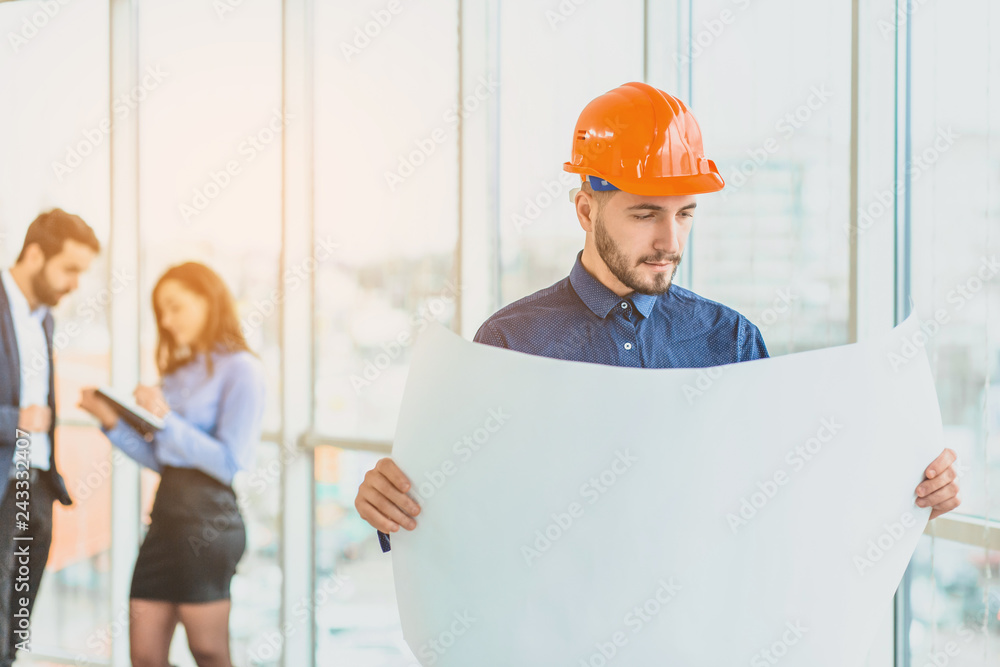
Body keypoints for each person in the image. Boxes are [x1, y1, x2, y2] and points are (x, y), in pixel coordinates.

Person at [354, 81, 961, 552]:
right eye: (646, 214)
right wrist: (390, 505)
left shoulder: (729, 340)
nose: (670, 240)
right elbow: (460, 509)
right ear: (586, 209)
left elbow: (784, 492)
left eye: (686, 215)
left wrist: (907, 488)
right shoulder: (512, 342)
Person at [79, 262, 265, 667]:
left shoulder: (243, 370)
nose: (166, 319)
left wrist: (166, 417)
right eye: (160, 310)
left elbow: (231, 462)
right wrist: (112, 421)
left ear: (208, 300)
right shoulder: (178, 372)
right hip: (164, 521)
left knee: (208, 651)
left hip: (209, 522)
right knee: (145, 654)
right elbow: (160, 458)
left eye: (175, 307)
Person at [0, 209, 100, 666]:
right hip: (4, 483)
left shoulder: (45, 319)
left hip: (36, 483)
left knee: (17, 621)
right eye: (70, 269)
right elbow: (22, 412)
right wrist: (13, 419)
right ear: (35, 254)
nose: (76, 284)